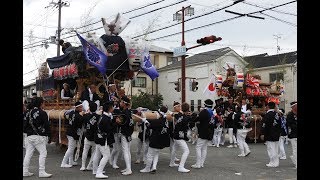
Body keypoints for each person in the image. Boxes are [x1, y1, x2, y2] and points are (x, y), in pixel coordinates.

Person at [23, 97, 52, 178]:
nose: (44, 104)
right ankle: (41, 171)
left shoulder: (26, 112)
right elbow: (47, 126)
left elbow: (24, 126)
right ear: (40, 103)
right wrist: (49, 135)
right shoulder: (42, 113)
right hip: (39, 136)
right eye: (43, 103)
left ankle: (25, 171)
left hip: (29, 136)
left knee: (28, 154)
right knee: (43, 153)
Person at [140, 106, 171, 173]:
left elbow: (150, 125)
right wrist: (147, 120)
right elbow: (153, 122)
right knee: (156, 154)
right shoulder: (165, 120)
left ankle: (147, 168)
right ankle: (154, 167)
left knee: (150, 154)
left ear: (159, 113)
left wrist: (145, 122)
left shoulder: (159, 121)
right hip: (161, 141)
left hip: (155, 140)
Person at [92, 101, 115, 178]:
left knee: (97, 154)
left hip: (98, 137)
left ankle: (95, 170)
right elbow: (109, 129)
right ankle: (99, 172)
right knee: (106, 156)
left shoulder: (102, 116)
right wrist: (116, 123)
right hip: (103, 139)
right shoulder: (106, 118)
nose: (113, 108)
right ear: (109, 109)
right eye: (112, 107)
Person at [191, 99, 214, 169]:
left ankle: (198, 164)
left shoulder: (204, 112)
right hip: (210, 132)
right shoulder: (212, 112)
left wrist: (193, 116)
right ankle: (201, 163)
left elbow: (196, 119)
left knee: (198, 147)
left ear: (205, 105)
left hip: (203, 132)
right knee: (204, 148)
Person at [114, 96, 135, 176]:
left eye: (121, 102)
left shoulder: (124, 113)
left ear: (124, 103)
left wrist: (117, 121)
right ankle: (128, 167)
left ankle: (129, 169)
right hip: (129, 134)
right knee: (127, 151)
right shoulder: (129, 112)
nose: (120, 103)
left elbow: (120, 122)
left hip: (125, 134)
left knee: (125, 151)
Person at [170, 102, 192, 173]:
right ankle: (181, 167)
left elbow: (175, 115)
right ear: (188, 109)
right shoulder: (186, 118)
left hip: (175, 135)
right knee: (186, 151)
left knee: (174, 149)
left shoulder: (179, 115)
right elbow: (188, 121)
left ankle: (172, 163)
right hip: (180, 136)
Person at [61, 102, 83, 168]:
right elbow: (80, 124)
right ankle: (63, 163)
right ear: (77, 108)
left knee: (71, 148)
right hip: (72, 133)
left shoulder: (71, 113)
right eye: (81, 107)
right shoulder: (78, 116)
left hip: (69, 131)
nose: (82, 108)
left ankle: (71, 161)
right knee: (71, 148)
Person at [261, 102, 281, 167]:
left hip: (270, 134)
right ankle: (276, 162)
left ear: (268, 107)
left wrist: (263, 133)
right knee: (275, 149)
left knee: (271, 148)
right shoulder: (277, 114)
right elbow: (280, 124)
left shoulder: (268, 115)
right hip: (276, 133)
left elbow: (265, 125)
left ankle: (272, 162)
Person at [80, 102, 99, 171]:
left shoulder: (85, 116)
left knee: (85, 151)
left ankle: (83, 166)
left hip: (87, 135)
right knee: (93, 152)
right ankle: (89, 165)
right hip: (95, 137)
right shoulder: (98, 116)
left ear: (89, 108)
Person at [168, 101, 181, 167]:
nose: (179, 107)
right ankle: (172, 158)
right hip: (172, 131)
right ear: (175, 107)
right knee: (172, 145)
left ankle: (174, 156)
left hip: (178, 131)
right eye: (178, 106)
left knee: (176, 146)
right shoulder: (172, 113)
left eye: (180, 106)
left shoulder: (179, 113)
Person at [286, 101, 297, 169]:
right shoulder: (290, 115)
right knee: (295, 149)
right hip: (294, 135)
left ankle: (294, 159)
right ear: (293, 107)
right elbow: (289, 124)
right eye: (296, 106)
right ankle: (296, 163)